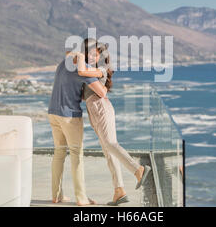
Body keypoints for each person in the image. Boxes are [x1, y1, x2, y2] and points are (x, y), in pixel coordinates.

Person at [74, 39, 152, 206]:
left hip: (100, 107)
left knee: (110, 143)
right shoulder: (91, 69)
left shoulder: (100, 69)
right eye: (89, 53)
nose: (92, 56)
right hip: (94, 109)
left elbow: (83, 72)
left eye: (95, 54)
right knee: (108, 152)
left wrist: (79, 59)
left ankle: (138, 169)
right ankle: (119, 191)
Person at [47, 47, 107, 206]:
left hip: (53, 112)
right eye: (92, 55)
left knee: (59, 153)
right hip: (69, 116)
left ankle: (56, 195)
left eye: (97, 56)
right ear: (84, 53)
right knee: (76, 155)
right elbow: (101, 92)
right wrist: (104, 80)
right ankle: (81, 198)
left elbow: (69, 87)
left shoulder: (63, 63)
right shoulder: (84, 69)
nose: (94, 58)